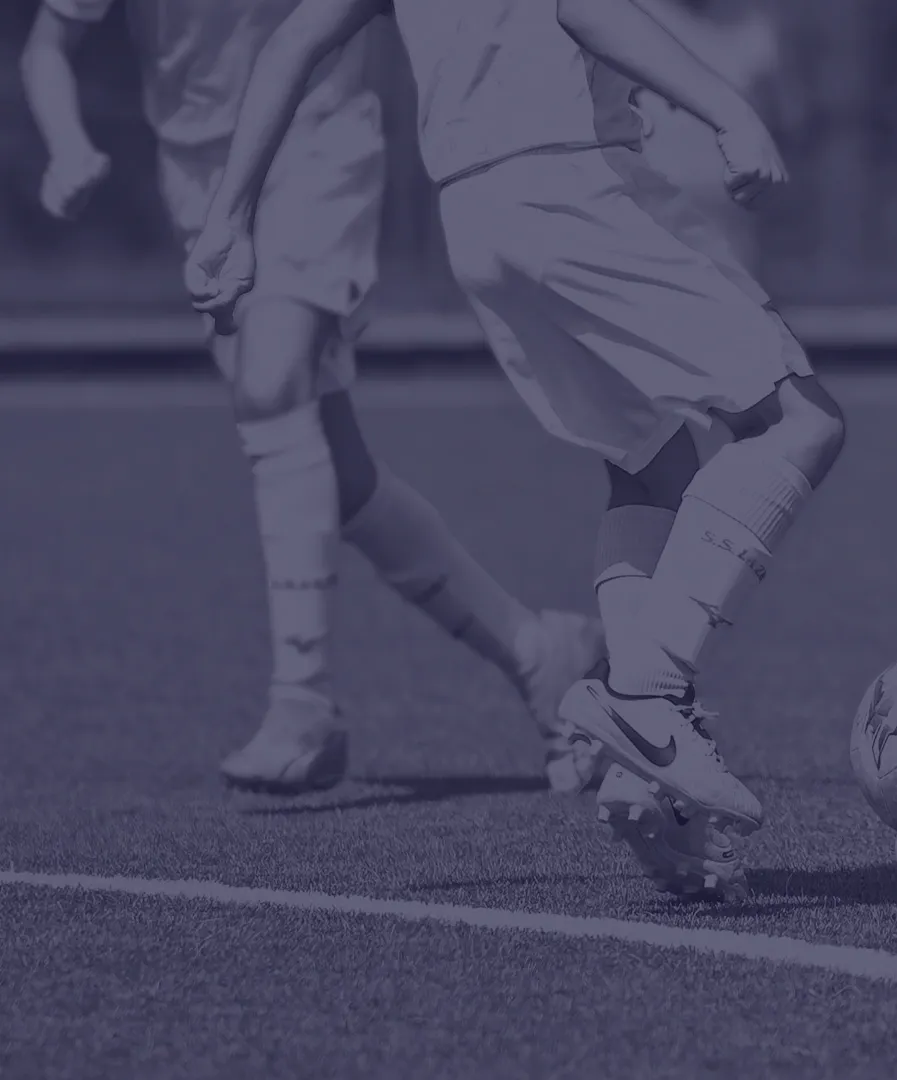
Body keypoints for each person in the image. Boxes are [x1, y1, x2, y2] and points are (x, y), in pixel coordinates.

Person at [183, 0, 844, 900]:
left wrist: (227, 218)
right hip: (575, 185)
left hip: (478, 219)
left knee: (651, 464)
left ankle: (642, 772)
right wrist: (727, 107)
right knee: (800, 421)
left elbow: (296, 37)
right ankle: (648, 699)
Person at [19, 0, 606, 796]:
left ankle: (302, 703)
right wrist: (65, 147)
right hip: (199, 183)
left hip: (318, 144)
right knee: (338, 473)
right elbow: (48, 47)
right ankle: (538, 651)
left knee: (271, 385)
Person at [629, 0, 787, 274]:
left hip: (727, 203)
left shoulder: (752, 31)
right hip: (653, 198)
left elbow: (777, 118)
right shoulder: (637, 15)